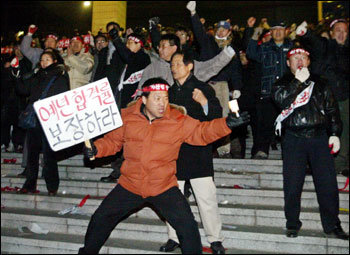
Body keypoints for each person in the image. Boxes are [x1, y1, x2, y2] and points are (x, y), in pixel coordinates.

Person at [79, 77, 250, 254]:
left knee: (188, 227)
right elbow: (112, 142)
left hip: (163, 185)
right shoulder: (126, 116)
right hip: (130, 184)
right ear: (144, 99)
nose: (163, 103)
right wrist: (96, 149)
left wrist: (226, 124)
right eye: (157, 98)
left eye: (166, 98)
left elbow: (202, 132)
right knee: (100, 218)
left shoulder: (177, 120)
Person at [272, 47, 349, 240]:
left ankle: (332, 224)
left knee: (327, 184)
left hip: (318, 137)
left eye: (303, 57)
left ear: (309, 60)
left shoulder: (321, 83)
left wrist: (334, 133)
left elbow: (332, 109)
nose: (299, 61)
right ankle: (292, 223)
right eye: (295, 58)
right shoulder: (282, 83)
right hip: (293, 138)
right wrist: (298, 82)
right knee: (292, 184)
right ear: (288, 63)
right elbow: (280, 100)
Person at [159, 51, 226, 254]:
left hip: (197, 152)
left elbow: (217, 115)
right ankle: (173, 237)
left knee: (206, 199)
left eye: (178, 63)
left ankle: (215, 239)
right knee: (172, 199)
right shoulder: (168, 92)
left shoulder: (202, 88)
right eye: (172, 64)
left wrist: (204, 102)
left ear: (190, 66)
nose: (173, 67)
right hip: (173, 154)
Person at [186, 1, 243, 158]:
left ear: (229, 31)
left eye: (225, 29)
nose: (222, 31)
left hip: (222, 85)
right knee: (205, 114)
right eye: (219, 28)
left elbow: (236, 69)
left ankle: (223, 149)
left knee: (223, 115)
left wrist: (236, 87)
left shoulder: (231, 48)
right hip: (205, 84)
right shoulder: (208, 42)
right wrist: (193, 14)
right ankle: (207, 146)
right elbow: (198, 31)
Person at [296, 19, 349, 175]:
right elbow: (315, 42)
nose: (341, 33)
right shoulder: (325, 46)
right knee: (318, 131)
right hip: (322, 98)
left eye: (345, 31)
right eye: (338, 30)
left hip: (344, 97)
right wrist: (306, 33)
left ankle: (340, 164)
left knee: (344, 131)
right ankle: (315, 164)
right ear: (332, 33)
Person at [99, 28, 151, 183]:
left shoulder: (142, 58)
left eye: (132, 42)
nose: (128, 45)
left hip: (133, 103)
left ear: (140, 45)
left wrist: (117, 40)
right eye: (127, 42)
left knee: (131, 140)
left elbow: (130, 58)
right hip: (118, 100)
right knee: (116, 136)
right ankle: (117, 170)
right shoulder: (121, 58)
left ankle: (128, 171)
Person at [14, 51, 70, 195]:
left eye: (47, 59)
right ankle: (30, 184)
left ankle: (52, 186)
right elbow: (23, 90)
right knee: (32, 153)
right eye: (42, 59)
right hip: (35, 119)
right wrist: (17, 74)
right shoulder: (37, 75)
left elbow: (63, 96)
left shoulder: (60, 75)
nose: (44, 62)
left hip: (50, 120)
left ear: (55, 61)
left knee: (49, 154)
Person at [247, 18, 294, 159]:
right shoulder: (264, 47)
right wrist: (255, 35)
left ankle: (290, 153)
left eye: (280, 29)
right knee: (264, 123)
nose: (278, 32)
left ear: (286, 31)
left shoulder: (292, 47)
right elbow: (250, 53)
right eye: (274, 29)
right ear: (271, 32)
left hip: (288, 94)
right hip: (267, 92)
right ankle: (261, 150)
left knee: (289, 125)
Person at [138, 32, 236, 90]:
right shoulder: (152, 68)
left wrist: (226, 55)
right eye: (159, 46)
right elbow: (141, 89)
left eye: (163, 46)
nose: (159, 49)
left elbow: (210, 67)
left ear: (174, 48)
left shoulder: (188, 64)